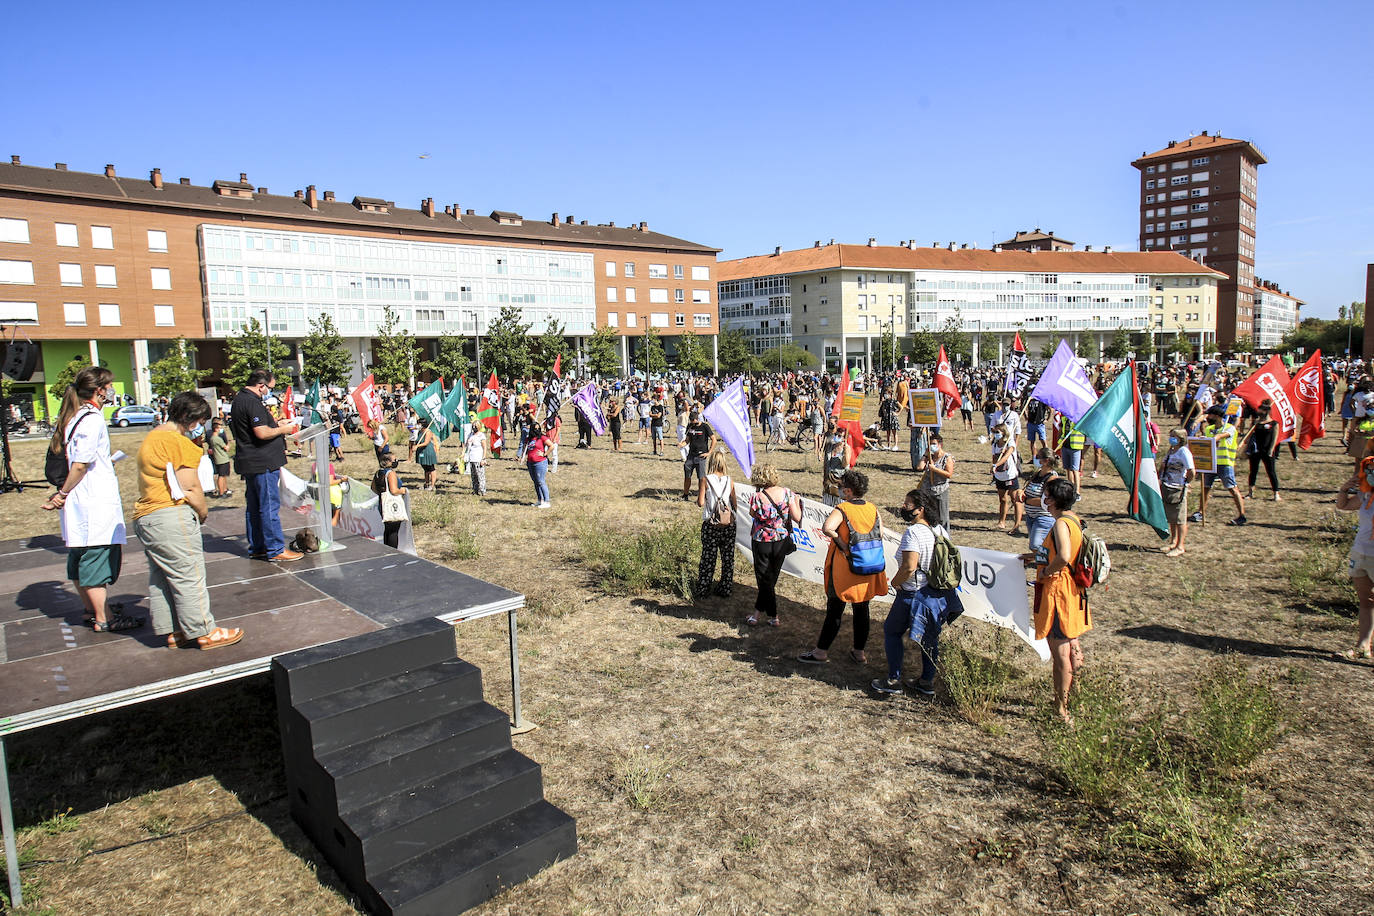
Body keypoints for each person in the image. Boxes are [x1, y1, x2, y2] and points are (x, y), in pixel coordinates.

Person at [133, 392, 244, 650]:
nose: (200, 427)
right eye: (199, 420)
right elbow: (191, 488)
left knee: (162, 576)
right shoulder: (180, 443)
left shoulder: (153, 437)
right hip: (171, 515)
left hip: (146, 516)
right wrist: (203, 512)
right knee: (189, 575)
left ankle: (175, 630)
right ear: (187, 417)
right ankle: (204, 630)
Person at [42, 366, 142, 632]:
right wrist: (61, 494)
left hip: (82, 500)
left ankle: (92, 609)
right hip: (91, 501)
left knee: (80, 556)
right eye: (108, 386)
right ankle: (104, 616)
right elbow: (80, 464)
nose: (111, 391)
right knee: (96, 558)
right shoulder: (92, 418)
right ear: (99, 391)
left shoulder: (74, 416)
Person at [872, 489, 962, 696]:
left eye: (908, 504)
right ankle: (926, 682)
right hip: (936, 593)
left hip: (913, 592)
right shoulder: (939, 530)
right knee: (930, 638)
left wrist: (895, 582)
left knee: (892, 631)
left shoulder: (913, 533)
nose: (904, 507)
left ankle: (893, 679)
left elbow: (909, 566)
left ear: (920, 510)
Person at [798, 470, 889, 665]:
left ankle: (821, 652)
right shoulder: (872, 508)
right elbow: (880, 533)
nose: (838, 489)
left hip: (845, 569)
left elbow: (827, 527)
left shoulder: (843, 509)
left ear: (848, 491)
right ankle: (859, 652)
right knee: (862, 610)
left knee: (835, 609)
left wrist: (845, 547)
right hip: (867, 567)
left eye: (840, 487)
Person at [1027, 479, 1091, 722]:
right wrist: (1034, 559)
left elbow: (1063, 555)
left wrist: (1045, 572)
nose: (1043, 498)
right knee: (1073, 645)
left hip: (1058, 593)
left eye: (1045, 495)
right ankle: (1079, 698)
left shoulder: (1061, 524)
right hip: (1073, 592)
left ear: (1052, 500)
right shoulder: (1074, 519)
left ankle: (1061, 708)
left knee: (1061, 652)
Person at [230, 369, 303, 562]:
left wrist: (277, 422)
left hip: (250, 461)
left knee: (254, 506)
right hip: (263, 462)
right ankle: (275, 548)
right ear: (261, 385)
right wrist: (283, 429)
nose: (270, 391)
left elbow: (255, 426)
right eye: (269, 388)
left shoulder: (239, 399)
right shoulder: (252, 402)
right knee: (268, 506)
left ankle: (258, 546)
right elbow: (261, 433)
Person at [745, 462, 800, 627]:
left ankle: (768, 615)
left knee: (764, 578)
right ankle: (764, 615)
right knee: (771, 577)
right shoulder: (787, 494)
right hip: (781, 540)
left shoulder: (757, 497)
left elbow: (752, 513)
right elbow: (797, 517)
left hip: (762, 540)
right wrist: (795, 503)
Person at [1335, 467, 1374, 660]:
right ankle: (1363, 646)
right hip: (1362, 553)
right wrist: (1344, 489)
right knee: (1366, 601)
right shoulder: (1367, 494)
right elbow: (1344, 506)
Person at [1194, 405, 1246, 526]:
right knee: (1205, 487)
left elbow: (1220, 437)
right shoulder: (1209, 429)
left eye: (1210, 415)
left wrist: (1214, 437)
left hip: (1225, 463)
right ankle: (1200, 512)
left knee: (1232, 488)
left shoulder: (1230, 428)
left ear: (1217, 416)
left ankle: (1242, 515)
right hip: (1210, 462)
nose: (1208, 417)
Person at [694, 449, 736, 599]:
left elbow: (700, 502)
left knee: (708, 557)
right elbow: (734, 504)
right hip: (728, 525)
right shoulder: (729, 480)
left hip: (711, 524)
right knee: (727, 558)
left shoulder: (705, 480)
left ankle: (704, 587)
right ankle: (725, 587)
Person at [1159, 426, 1195, 557]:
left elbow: (1191, 471)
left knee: (1180, 518)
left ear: (1180, 439)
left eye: (1173, 436)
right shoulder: (1171, 451)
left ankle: (1180, 546)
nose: (1171, 438)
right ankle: (1173, 541)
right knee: (1172, 517)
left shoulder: (1184, 452)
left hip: (1178, 488)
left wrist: (1186, 482)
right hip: (1168, 486)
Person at [1022, 449, 1060, 565]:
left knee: (1036, 546)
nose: (1035, 459)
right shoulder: (1037, 474)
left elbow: (1046, 501)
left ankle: (1050, 565)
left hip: (1043, 517)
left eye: (1038, 457)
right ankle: (1043, 566)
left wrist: (1027, 501)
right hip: (1031, 516)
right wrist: (1020, 492)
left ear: (1046, 461)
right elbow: (1027, 488)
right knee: (1037, 547)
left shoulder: (1051, 478)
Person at [1243, 399, 1281, 502]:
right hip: (1255, 451)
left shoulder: (1274, 424)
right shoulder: (1256, 422)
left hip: (1267, 451)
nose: (1258, 412)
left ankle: (1276, 493)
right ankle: (1250, 492)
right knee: (1253, 471)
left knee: (1271, 472)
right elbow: (1249, 436)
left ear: (1266, 411)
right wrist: (1246, 447)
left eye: (1260, 410)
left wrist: (1271, 450)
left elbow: (1274, 438)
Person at [915, 432, 953, 531]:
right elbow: (919, 467)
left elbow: (949, 474)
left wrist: (934, 469)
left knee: (942, 517)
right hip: (927, 491)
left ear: (940, 445)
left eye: (934, 444)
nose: (932, 446)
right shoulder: (930, 457)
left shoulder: (947, 457)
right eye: (930, 444)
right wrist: (925, 454)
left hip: (940, 490)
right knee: (929, 516)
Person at [991, 423, 1023, 533]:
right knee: (1003, 499)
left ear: (1004, 433)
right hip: (1000, 475)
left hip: (1010, 475)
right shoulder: (994, 444)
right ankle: (1002, 521)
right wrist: (994, 465)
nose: (996, 434)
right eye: (995, 432)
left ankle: (1017, 524)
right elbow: (994, 458)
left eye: (998, 432)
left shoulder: (1010, 443)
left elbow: (1006, 456)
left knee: (1015, 499)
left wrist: (997, 463)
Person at [371, 456, 408, 549]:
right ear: (387, 462)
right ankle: (393, 551)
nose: (396, 461)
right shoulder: (390, 473)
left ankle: (387, 549)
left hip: (382, 503)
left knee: (387, 529)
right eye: (394, 460)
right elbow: (394, 490)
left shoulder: (378, 473)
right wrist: (403, 491)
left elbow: (373, 488)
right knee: (393, 530)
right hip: (392, 505)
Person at [680, 410, 715, 500]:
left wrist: (709, 452)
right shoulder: (690, 426)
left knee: (701, 477)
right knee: (687, 475)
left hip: (701, 456)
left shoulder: (705, 427)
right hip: (691, 456)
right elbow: (687, 440)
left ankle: (701, 496)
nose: (692, 423)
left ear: (697, 419)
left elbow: (714, 440)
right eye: (691, 421)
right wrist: (682, 444)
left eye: (693, 421)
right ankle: (685, 494)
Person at [821, 421, 853, 507]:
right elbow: (825, 463)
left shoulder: (847, 448)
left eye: (840, 436)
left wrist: (846, 451)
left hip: (839, 482)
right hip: (828, 481)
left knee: (839, 507)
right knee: (826, 506)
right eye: (837, 435)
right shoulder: (830, 446)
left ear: (844, 438)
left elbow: (845, 464)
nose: (837, 437)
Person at [525, 420, 553, 508]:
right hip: (530, 462)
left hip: (540, 462)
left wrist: (545, 454)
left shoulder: (542, 438)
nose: (537, 430)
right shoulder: (529, 439)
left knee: (541, 481)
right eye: (535, 428)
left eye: (538, 428)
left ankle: (547, 501)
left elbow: (551, 446)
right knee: (535, 482)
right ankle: (540, 500)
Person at [208, 417, 234, 499]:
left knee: (223, 475)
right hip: (222, 459)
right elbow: (226, 448)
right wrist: (230, 443)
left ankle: (224, 489)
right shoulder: (217, 439)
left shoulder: (212, 438)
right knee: (221, 476)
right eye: (219, 427)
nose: (220, 429)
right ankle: (221, 492)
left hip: (218, 458)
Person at [1060, 415, 1085, 495]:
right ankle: (1071, 488)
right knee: (1068, 469)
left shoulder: (1078, 419)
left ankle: (1077, 491)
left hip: (1075, 447)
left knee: (1075, 470)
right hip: (1065, 446)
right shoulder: (1064, 419)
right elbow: (1062, 431)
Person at [463, 419, 489, 495]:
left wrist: (483, 458)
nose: (474, 428)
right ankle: (475, 490)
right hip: (471, 458)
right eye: (473, 426)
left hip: (478, 458)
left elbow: (484, 448)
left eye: (475, 426)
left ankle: (482, 491)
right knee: (474, 476)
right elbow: (466, 445)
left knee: (480, 476)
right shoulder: (470, 435)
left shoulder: (481, 436)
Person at [414, 417, 439, 490]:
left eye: (418, 424)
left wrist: (417, 446)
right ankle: (427, 483)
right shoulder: (420, 431)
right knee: (425, 468)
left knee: (431, 468)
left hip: (428, 451)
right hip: (421, 451)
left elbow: (426, 442)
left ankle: (432, 485)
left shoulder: (428, 432)